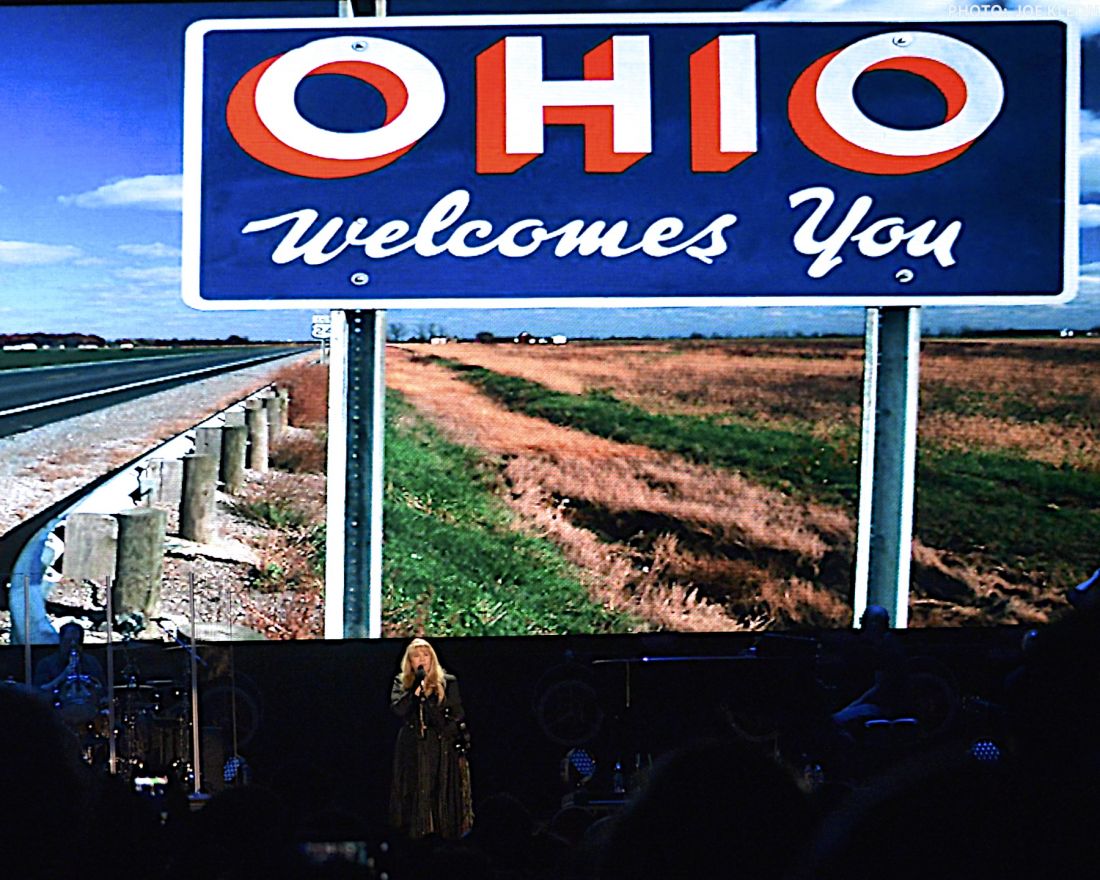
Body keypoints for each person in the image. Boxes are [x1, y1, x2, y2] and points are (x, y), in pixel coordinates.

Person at [388, 637, 473, 840]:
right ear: (409, 660)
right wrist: (416, 692)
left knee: (439, 788)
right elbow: (398, 709)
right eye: (416, 655)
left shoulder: (447, 681)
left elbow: (457, 713)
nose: (422, 659)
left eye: (426, 655)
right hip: (412, 745)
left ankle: (444, 834)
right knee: (416, 789)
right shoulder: (402, 682)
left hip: (440, 744)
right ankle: (415, 834)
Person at [33, 622, 105, 728]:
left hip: (90, 715)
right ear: (61, 641)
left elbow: (103, 690)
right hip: (56, 717)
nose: (72, 646)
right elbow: (39, 692)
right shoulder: (47, 664)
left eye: (76, 642)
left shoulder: (91, 662)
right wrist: (64, 675)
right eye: (68, 641)